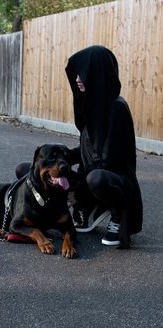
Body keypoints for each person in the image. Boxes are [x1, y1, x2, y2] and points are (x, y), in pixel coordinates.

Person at [65, 45, 143, 248]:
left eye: (82, 74)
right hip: (91, 174)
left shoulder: (117, 108)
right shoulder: (89, 105)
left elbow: (109, 159)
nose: (77, 79)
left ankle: (116, 214)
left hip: (114, 179)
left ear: (96, 73)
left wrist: (77, 190)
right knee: (34, 167)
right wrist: (59, 157)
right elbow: (88, 151)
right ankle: (87, 208)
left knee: (95, 178)